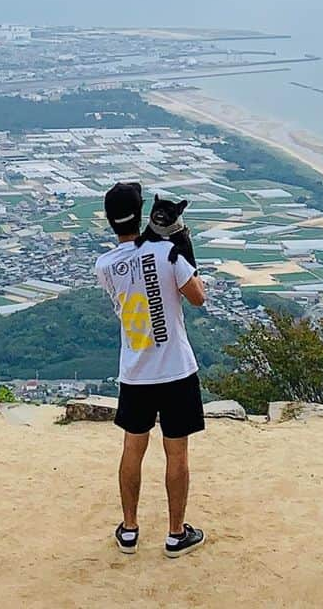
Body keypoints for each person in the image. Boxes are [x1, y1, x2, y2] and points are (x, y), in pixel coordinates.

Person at [95, 180, 208, 558]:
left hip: (135, 371)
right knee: (177, 454)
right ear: (142, 213)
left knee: (133, 448)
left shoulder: (104, 266)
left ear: (110, 220)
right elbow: (198, 298)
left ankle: (129, 530)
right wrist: (184, 249)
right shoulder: (169, 254)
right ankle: (176, 534)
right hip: (176, 369)